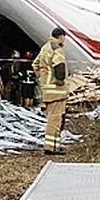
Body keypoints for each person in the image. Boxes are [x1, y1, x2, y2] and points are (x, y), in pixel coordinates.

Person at [33, 27, 69, 155]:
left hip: (47, 90)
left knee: (53, 118)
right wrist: (60, 82)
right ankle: (50, 147)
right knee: (55, 120)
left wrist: (43, 79)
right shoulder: (57, 49)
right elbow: (59, 68)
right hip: (56, 91)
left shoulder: (45, 48)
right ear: (61, 36)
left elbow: (35, 64)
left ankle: (54, 145)